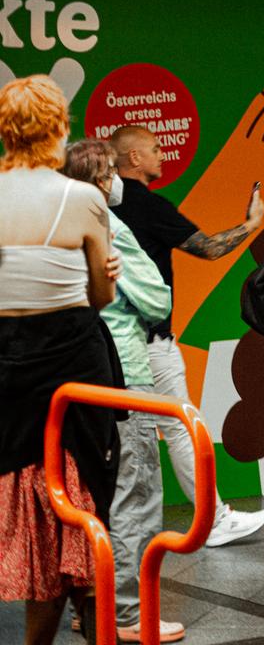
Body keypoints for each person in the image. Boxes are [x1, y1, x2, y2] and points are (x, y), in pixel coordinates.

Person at [108, 124, 264, 547]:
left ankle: (131, 533)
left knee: (136, 439)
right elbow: (210, 247)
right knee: (181, 427)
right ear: (134, 160)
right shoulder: (147, 205)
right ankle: (212, 519)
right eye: (155, 149)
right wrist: (251, 223)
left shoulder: (100, 209)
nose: (163, 155)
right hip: (152, 345)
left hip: (115, 343)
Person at [0, 75, 120, 645]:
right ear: (58, 128)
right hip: (76, 367)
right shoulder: (84, 198)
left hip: (8, 372)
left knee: (29, 511)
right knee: (86, 507)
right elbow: (101, 297)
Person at [62, 141, 180, 644]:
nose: (117, 182)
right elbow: (156, 298)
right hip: (126, 371)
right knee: (136, 493)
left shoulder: (57, 228)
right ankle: (127, 614)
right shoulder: (112, 227)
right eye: (110, 172)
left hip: (76, 377)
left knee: (90, 497)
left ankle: (88, 606)